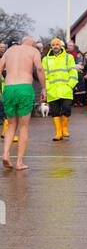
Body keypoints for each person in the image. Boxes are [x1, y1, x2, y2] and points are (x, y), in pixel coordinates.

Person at [0, 36, 46, 170]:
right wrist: (43, 88)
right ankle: (19, 162)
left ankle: (6, 154)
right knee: (24, 126)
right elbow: (39, 69)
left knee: (11, 125)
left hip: (8, 88)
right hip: (24, 88)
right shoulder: (33, 51)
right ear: (32, 44)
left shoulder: (9, 51)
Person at [42, 38, 78, 141]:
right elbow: (45, 75)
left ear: (61, 46)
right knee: (55, 112)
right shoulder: (46, 59)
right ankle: (58, 133)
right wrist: (47, 88)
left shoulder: (68, 57)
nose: (55, 46)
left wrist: (70, 85)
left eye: (57, 44)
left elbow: (73, 73)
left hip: (66, 89)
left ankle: (64, 128)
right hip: (52, 90)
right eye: (53, 45)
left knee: (67, 109)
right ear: (51, 46)